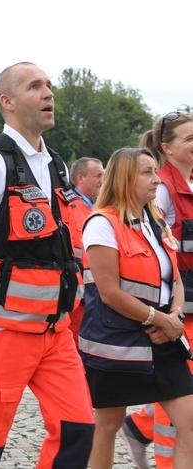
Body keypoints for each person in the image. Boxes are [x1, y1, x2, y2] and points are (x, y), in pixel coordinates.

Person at [0, 62, 95, 468]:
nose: (48, 93)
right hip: (0, 330)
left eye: (48, 85)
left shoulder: (55, 163)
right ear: (7, 102)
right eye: (35, 87)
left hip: (54, 330)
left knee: (78, 429)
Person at [78, 147, 193, 468]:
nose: (157, 179)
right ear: (125, 178)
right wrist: (161, 320)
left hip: (163, 341)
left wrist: (175, 318)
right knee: (108, 425)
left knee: (191, 425)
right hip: (116, 345)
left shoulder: (155, 220)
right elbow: (110, 292)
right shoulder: (101, 223)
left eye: (156, 171)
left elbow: (175, 280)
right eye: (147, 172)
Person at [120, 112, 193, 469]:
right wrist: (165, 313)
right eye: (190, 138)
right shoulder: (161, 189)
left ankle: (136, 427)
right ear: (168, 147)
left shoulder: (189, 182)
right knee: (180, 393)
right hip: (175, 312)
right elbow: (153, 249)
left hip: (187, 307)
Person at [64, 157, 104, 347]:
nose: (103, 179)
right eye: (98, 175)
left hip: (98, 292)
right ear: (80, 178)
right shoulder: (69, 207)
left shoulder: (98, 206)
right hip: (79, 295)